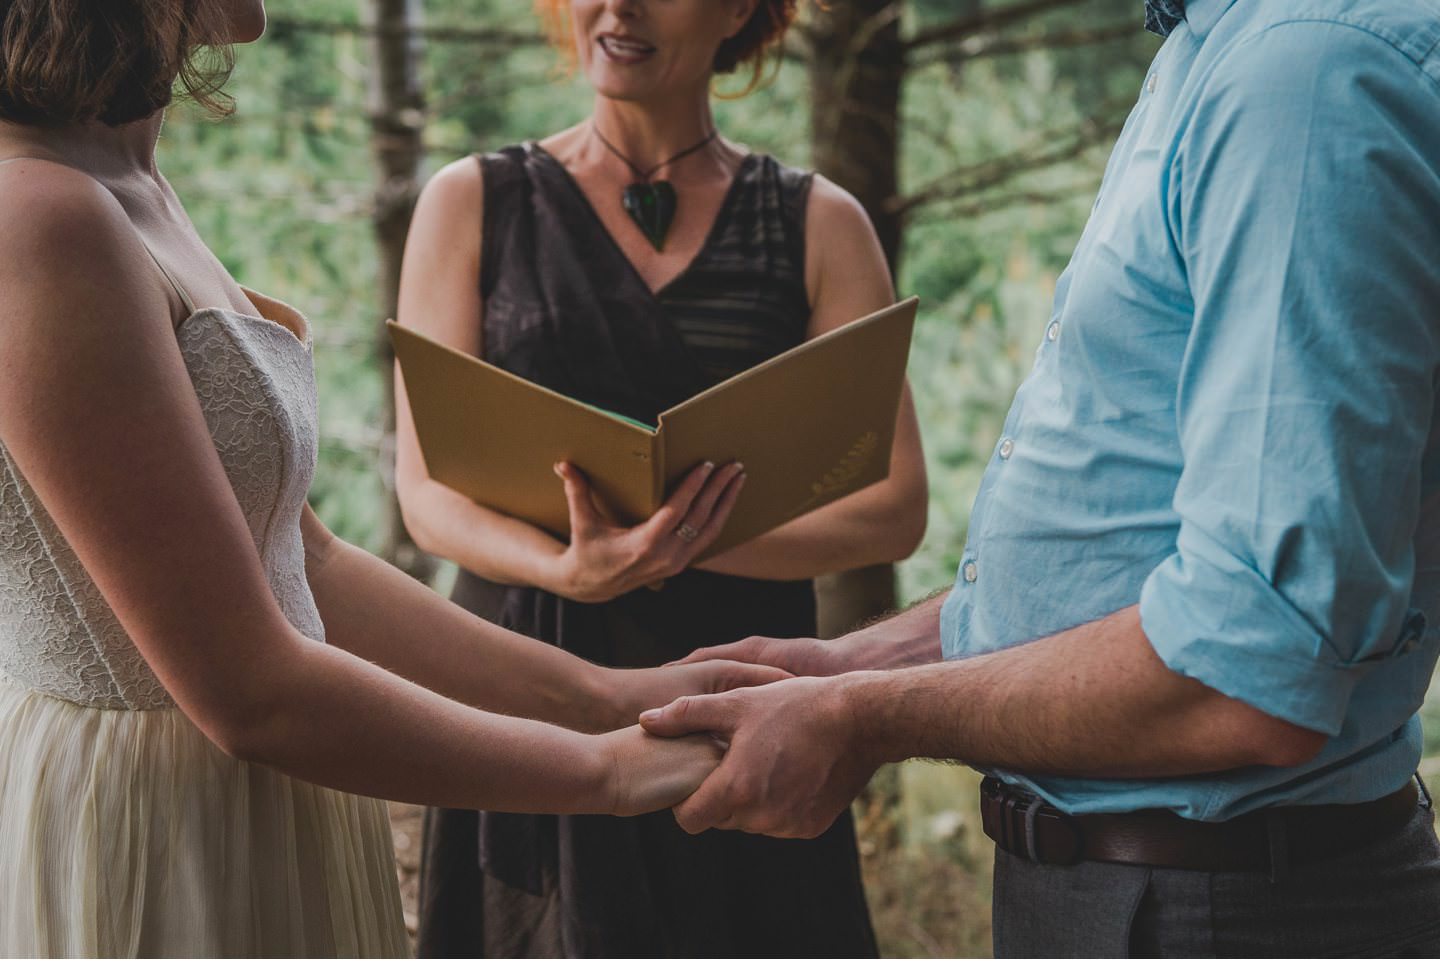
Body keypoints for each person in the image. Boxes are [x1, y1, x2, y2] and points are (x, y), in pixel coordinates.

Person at [645, 0, 1440, 957]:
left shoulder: (1302, 77)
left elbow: (1248, 665)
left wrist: (862, 718)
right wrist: (857, 664)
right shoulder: (1221, 51)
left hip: (1214, 909)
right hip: (1156, 890)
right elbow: (1126, 554)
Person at [0, 0, 791, 957]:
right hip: (152, 829)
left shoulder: (126, 176)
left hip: (252, 795)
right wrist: (607, 773)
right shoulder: (41, 216)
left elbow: (306, 563)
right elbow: (251, 692)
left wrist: (606, 695)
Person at [393, 0, 927, 957]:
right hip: (525, 682)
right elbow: (427, 493)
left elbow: (893, 506)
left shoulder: (818, 223)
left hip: (742, 691)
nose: (620, 6)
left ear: (738, 10)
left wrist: (676, 543)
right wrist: (567, 569)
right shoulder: (471, 199)